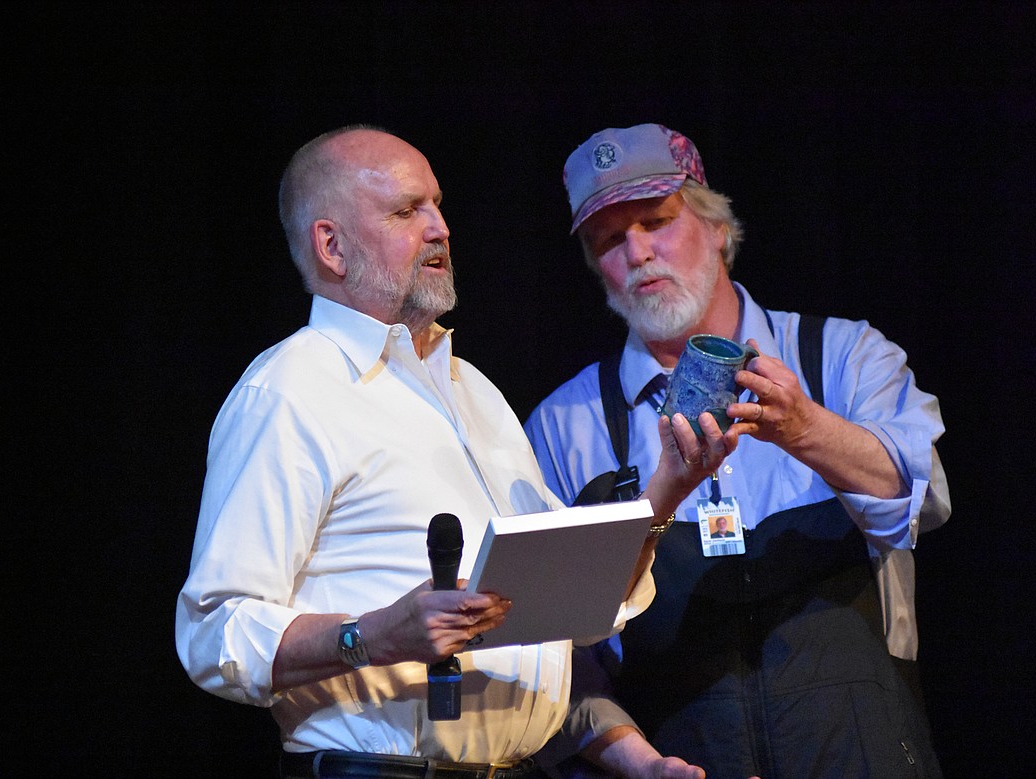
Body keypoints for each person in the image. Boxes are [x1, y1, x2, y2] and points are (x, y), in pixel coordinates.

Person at [175, 125, 734, 779]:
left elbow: (577, 602)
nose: (440, 227)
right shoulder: (292, 389)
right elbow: (212, 630)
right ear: (332, 246)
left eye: (437, 205)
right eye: (407, 210)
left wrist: (669, 484)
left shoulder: (476, 394)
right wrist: (370, 635)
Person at [524, 123, 951, 778]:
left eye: (656, 220)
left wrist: (805, 428)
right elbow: (559, 655)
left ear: (718, 228)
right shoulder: (565, 426)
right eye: (609, 239)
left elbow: (920, 501)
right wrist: (644, 765)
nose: (637, 252)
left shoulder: (840, 356)